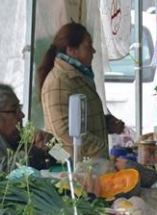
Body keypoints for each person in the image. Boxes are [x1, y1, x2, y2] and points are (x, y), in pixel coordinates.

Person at [38, 23, 125, 161]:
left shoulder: (77, 77)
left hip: (87, 163)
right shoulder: (59, 81)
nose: (93, 51)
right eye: (88, 45)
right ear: (72, 50)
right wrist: (101, 149)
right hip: (73, 166)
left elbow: (78, 119)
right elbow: (64, 131)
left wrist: (105, 122)